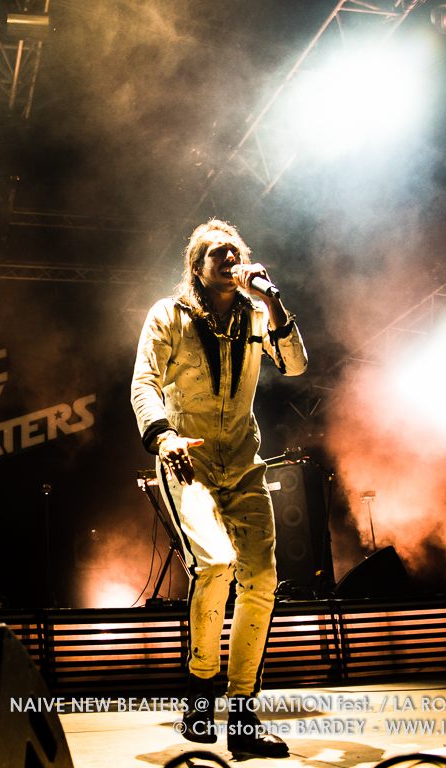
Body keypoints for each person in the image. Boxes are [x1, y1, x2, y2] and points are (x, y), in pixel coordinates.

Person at [131, 219, 307, 757]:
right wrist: (162, 438)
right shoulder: (168, 314)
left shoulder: (257, 315)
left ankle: (244, 712)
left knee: (262, 578)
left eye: (237, 252)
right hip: (188, 461)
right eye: (218, 253)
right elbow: (144, 382)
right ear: (197, 266)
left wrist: (273, 303)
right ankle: (200, 695)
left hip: (244, 464)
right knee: (216, 564)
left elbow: (296, 364)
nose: (231, 259)